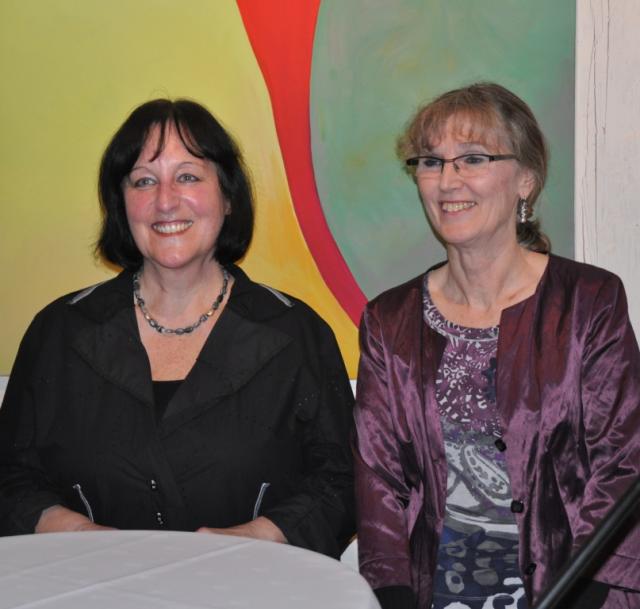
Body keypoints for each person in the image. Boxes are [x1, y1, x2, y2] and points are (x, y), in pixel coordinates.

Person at [0, 98, 355, 558]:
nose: (165, 201)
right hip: (89, 585)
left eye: (188, 176)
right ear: (121, 204)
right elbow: (10, 475)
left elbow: (343, 481)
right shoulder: (59, 332)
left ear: (228, 196)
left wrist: (257, 538)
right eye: (144, 181)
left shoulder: (297, 333)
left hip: (250, 586)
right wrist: (75, 532)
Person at [353, 82, 640, 608]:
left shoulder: (589, 302)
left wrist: (580, 595)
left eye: (473, 158)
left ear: (525, 180)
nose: (448, 181)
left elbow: (623, 464)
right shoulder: (387, 320)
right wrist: (392, 598)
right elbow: (379, 482)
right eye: (431, 162)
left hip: (575, 591)